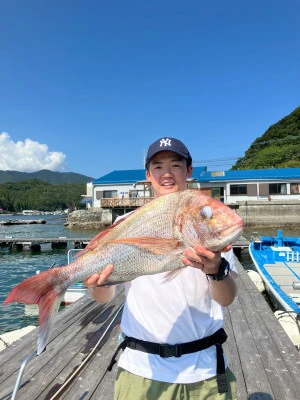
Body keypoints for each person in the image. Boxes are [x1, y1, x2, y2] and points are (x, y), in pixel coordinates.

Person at [83, 137, 238, 400]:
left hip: (204, 370)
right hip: (141, 370)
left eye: (175, 165)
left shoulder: (209, 232)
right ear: (148, 175)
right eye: (158, 166)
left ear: (188, 171)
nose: (166, 173)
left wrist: (215, 269)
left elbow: (227, 298)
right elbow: (104, 296)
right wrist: (98, 284)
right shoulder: (124, 223)